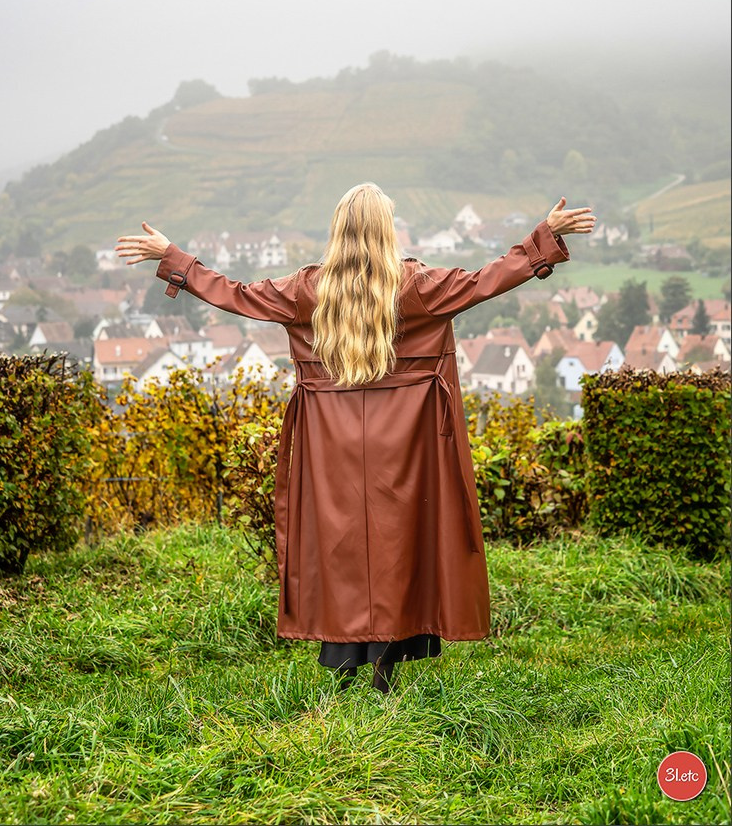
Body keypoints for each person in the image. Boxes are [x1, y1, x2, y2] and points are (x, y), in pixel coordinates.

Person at [116, 184, 595, 694]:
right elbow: (488, 279)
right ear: (387, 230)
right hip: (408, 440)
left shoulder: (307, 290)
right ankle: (386, 666)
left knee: (340, 544)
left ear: (338, 230)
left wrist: (175, 259)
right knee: (401, 541)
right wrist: (544, 237)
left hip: (331, 440)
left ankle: (343, 662)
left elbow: (235, 293)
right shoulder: (419, 285)